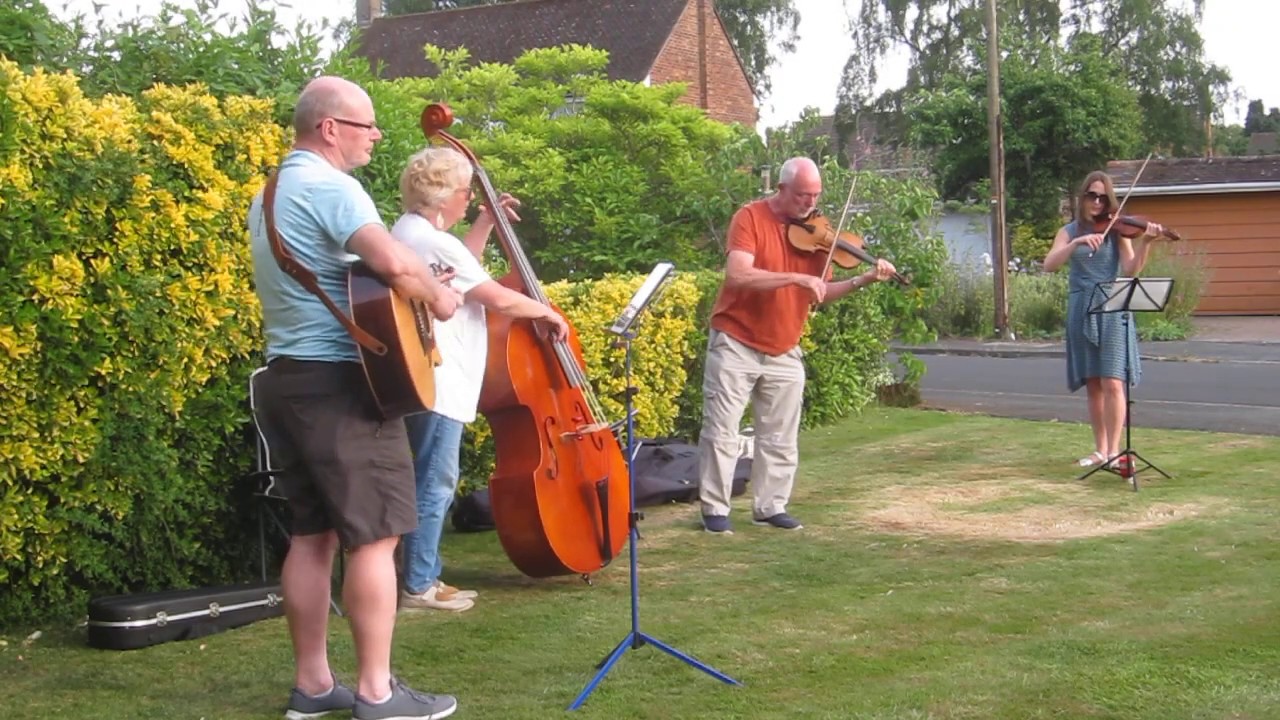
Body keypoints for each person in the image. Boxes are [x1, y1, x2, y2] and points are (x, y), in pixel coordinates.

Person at [248, 76, 464, 720]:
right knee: (375, 536)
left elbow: (348, 281)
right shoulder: (331, 187)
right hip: (343, 386)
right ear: (330, 128)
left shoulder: (269, 195)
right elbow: (394, 266)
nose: (376, 135)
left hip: (286, 379)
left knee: (312, 534)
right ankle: (377, 691)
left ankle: (313, 687)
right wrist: (440, 296)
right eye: (366, 125)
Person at [392, 146, 569, 612]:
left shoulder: (411, 233)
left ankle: (423, 574)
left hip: (424, 372)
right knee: (436, 479)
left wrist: (486, 224)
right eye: (467, 190)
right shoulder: (431, 241)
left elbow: (462, 272)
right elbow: (496, 297)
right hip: (440, 375)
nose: (470, 197)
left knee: (431, 475)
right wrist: (546, 312)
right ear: (445, 193)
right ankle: (418, 583)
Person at [697, 157, 897, 534]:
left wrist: (865, 279)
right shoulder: (750, 218)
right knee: (722, 430)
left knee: (780, 434)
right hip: (736, 339)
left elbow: (820, 294)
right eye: (803, 195)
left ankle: (771, 506)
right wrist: (794, 278)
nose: (810, 204)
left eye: (816, 196)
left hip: (785, 344)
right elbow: (738, 274)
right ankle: (715, 510)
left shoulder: (821, 236)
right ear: (783, 189)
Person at [1042, 170, 1167, 470]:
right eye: (1092, 196)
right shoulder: (1069, 231)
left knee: (1113, 380)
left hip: (1112, 306)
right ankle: (1100, 450)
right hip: (1081, 306)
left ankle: (1113, 452)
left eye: (1103, 197)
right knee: (1094, 384)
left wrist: (1146, 243)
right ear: (1082, 197)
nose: (1097, 203)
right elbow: (1049, 264)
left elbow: (1130, 269)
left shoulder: (1116, 231)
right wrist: (1075, 244)